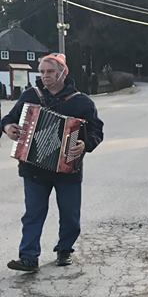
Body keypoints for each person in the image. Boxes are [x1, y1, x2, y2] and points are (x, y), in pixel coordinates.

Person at [2, 53, 104, 272]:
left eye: (50, 72)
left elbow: (97, 131)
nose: (45, 76)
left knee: (70, 216)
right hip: (33, 169)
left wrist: (84, 145)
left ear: (63, 73)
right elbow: (8, 119)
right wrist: (8, 128)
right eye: (42, 72)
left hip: (68, 170)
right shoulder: (31, 96)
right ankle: (28, 258)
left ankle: (64, 249)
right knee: (33, 214)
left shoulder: (82, 102)